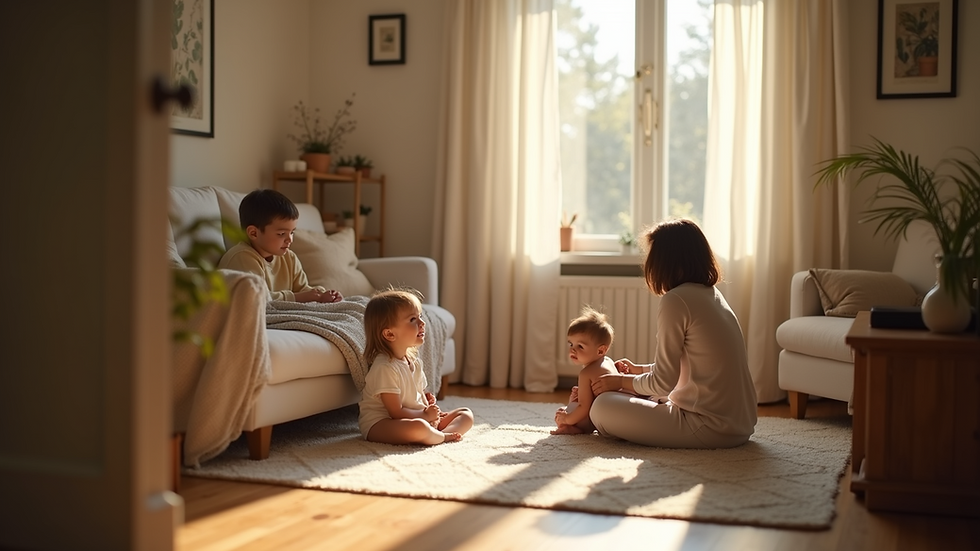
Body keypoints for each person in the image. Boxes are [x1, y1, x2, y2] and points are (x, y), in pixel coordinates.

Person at [589, 218, 757, 449]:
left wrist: (621, 381)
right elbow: (695, 366)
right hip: (739, 425)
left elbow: (663, 384)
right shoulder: (711, 295)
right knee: (624, 393)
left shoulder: (676, 300)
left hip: (707, 427)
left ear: (665, 261)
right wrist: (639, 371)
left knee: (602, 406)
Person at [358, 288, 474, 445]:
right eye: (413, 320)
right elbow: (396, 412)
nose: (422, 323)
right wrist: (425, 416)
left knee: (466, 414)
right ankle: (440, 437)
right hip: (382, 423)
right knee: (418, 427)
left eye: (420, 317)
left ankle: (435, 435)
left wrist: (427, 401)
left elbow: (417, 394)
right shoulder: (385, 367)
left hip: (416, 417)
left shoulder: (415, 362)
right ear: (390, 334)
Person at [218, 189, 343, 303]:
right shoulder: (242, 257)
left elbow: (303, 290)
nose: (290, 239)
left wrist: (322, 295)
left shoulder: (289, 258)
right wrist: (299, 297)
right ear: (253, 233)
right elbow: (257, 298)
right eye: (282, 234)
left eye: (292, 232)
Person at [551, 307, 619, 435]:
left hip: (598, 420)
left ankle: (576, 429)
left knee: (562, 412)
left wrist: (567, 419)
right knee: (572, 405)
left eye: (580, 346)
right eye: (571, 344)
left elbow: (584, 407)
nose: (572, 349)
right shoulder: (608, 361)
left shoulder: (586, 373)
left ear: (600, 350)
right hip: (612, 416)